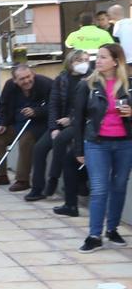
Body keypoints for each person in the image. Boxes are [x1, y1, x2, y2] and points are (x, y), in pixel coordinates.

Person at [71, 43, 132, 253]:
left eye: (104, 57)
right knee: (99, 189)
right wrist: (78, 149)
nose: (98, 60)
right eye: (98, 57)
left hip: (125, 143)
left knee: (120, 187)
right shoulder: (87, 85)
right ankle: (94, 235)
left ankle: (112, 229)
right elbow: (77, 119)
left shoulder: (128, 85)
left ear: (116, 61)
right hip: (96, 144)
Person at [28, 49, 91, 202]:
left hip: (78, 123)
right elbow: (53, 105)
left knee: (61, 140)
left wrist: (71, 119)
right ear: (70, 62)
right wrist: (53, 127)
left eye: (86, 60)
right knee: (39, 148)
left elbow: (88, 107)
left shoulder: (91, 79)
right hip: (59, 123)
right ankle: (37, 188)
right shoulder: (61, 80)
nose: (84, 63)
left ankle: (53, 179)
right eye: (79, 60)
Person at [0, 65, 52, 191]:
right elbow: (3, 105)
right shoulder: (10, 86)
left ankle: (23, 180)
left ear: (32, 74)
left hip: (37, 125)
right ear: (15, 80)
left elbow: (55, 105)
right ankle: (0, 176)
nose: (27, 81)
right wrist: (2, 123)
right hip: (17, 123)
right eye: (22, 79)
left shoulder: (45, 84)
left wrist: (36, 111)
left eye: (28, 77)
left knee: (26, 140)